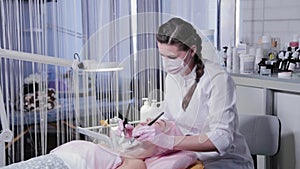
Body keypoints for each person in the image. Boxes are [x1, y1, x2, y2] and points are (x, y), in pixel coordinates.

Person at [130, 17, 254, 169]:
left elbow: (222, 139)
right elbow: (169, 118)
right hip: (186, 155)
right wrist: (147, 129)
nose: (166, 62)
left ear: (192, 50)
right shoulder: (172, 77)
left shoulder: (217, 79)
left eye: (172, 57)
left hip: (222, 161)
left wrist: (168, 141)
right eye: (162, 55)